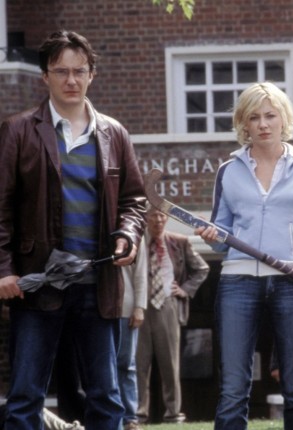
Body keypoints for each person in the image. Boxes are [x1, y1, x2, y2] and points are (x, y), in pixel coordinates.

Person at [0, 30, 146, 429]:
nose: (71, 80)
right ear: (44, 76)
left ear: (91, 75)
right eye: (61, 71)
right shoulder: (17, 130)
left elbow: (134, 200)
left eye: (79, 71)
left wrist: (127, 234)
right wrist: (4, 268)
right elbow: (1, 207)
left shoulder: (114, 134)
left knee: (106, 398)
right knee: (25, 397)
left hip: (97, 283)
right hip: (37, 282)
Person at [197, 81, 293, 430]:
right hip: (237, 281)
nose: (263, 124)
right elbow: (222, 237)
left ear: (284, 119)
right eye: (254, 117)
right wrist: (213, 237)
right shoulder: (228, 170)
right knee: (233, 388)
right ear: (244, 123)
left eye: (270, 116)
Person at [136, 206, 209, 423]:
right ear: (146, 219)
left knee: (170, 364)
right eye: (153, 216)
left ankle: (173, 413)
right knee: (139, 364)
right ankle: (138, 414)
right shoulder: (138, 242)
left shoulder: (179, 241)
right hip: (141, 307)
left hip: (168, 305)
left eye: (162, 216)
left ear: (166, 219)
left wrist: (185, 289)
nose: (158, 220)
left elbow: (202, 268)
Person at [119, 239, 148, 430]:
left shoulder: (135, 233)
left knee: (126, 364)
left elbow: (140, 272)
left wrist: (139, 307)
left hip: (126, 308)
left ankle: (130, 418)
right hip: (97, 309)